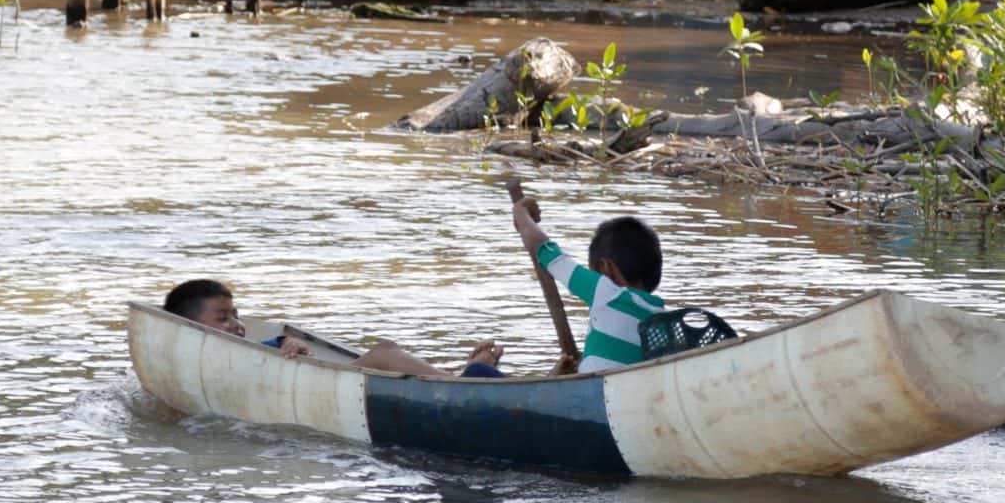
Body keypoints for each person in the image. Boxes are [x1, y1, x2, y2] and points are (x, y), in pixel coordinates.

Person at [163, 279, 505, 379]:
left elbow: (282, 340)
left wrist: (293, 342)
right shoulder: (206, 359)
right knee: (384, 352)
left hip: (324, 381)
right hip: (322, 385)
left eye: (235, 315)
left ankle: (463, 378)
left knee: (386, 353)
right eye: (222, 318)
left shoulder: (253, 345)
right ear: (192, 328)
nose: (236, 324)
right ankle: (467, 379)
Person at [510, 205, 667, 372]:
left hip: (599, 392)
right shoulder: (663, 319)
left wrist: (520, 212)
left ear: (605, 266)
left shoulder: (605, 291)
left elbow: (544, 250)